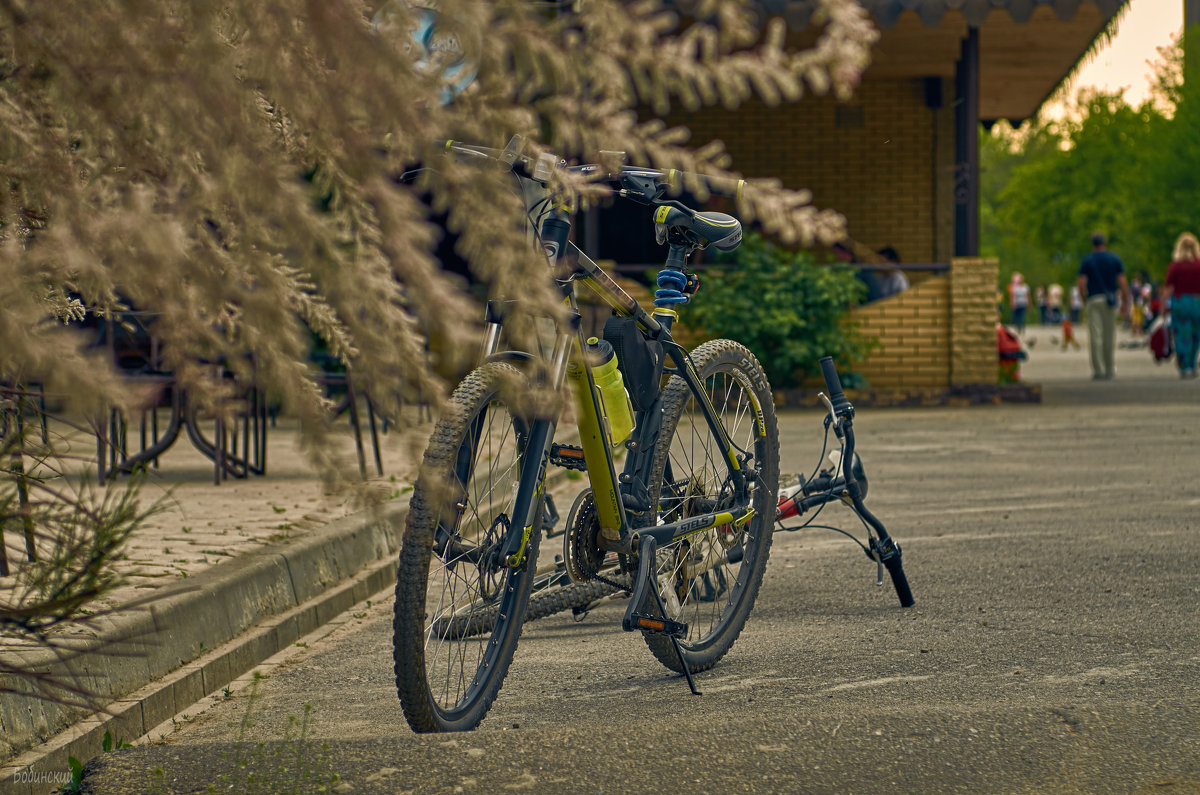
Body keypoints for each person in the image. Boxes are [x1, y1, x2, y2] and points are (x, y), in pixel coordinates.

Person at [1077, 232, 1132, 380]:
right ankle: (1109, 368)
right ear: (1105, 242)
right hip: (1110, 299)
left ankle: (1098, 369)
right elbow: (1122, 281)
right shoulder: (1114, 259)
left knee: (1096, 335)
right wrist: (1126, 300)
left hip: (1093, 298)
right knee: (1109, 334)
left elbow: (1082, 283)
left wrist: (1084, 300)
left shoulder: (1087, 260)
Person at [1163, 231, 1200, 378]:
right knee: (1196, 334)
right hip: (1197, 302)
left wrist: (1162, 305)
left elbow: (1169, 287)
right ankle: (1192, 363)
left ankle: (1185, 366)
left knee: (1182, 334)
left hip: (1181, 302)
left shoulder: (1175, 266)